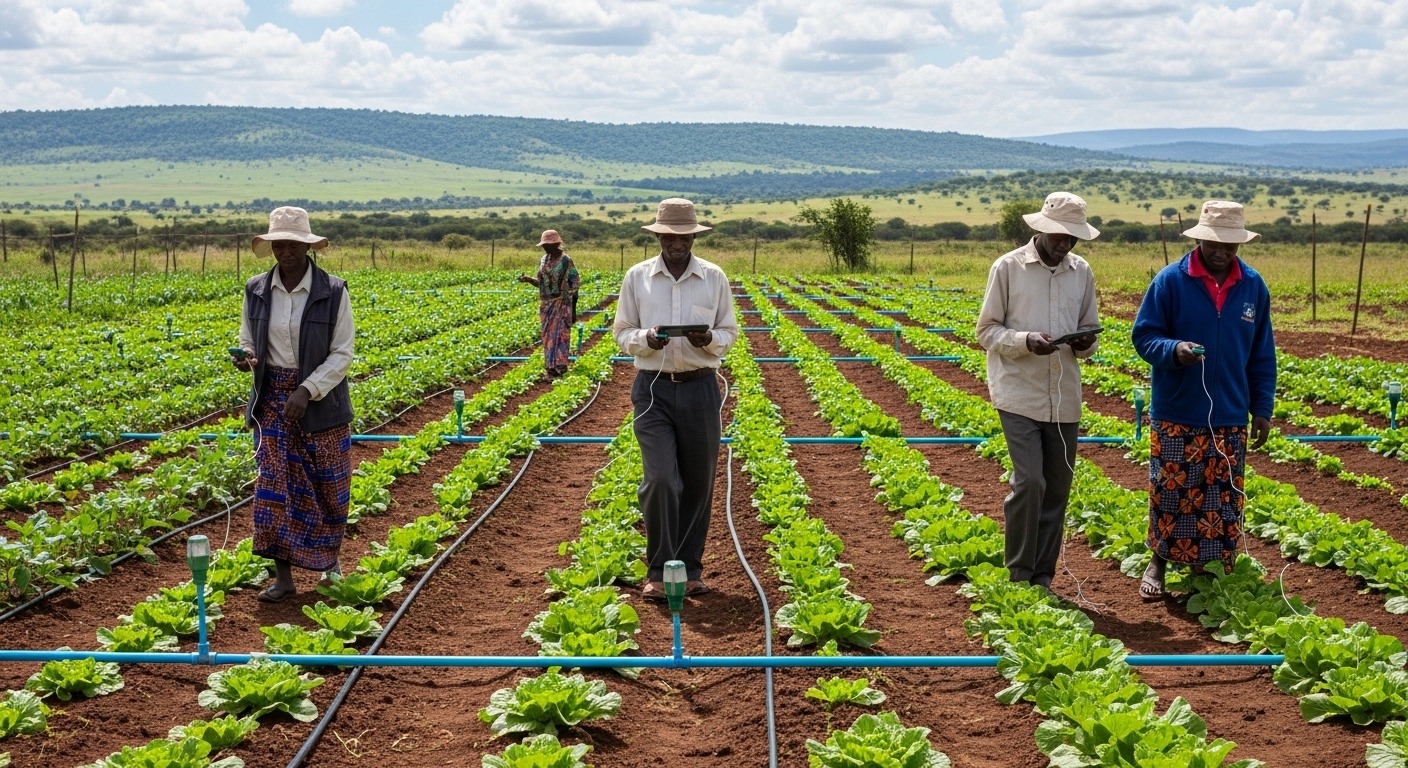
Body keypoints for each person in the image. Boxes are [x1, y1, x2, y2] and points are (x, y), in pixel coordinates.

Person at [1133, 200, 1275, 600]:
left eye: (1230, 245)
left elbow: (1262, 353)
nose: (1222, 251)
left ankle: (1210, 570)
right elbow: (1144, 337)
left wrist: (1262, 408)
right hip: (1177, 409)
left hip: (1229, 412)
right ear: (1199, 238)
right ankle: (1158, 561)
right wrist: (1174, 350)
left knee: (1221, 497)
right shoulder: (1170, 281)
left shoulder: (1252, 286)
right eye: (1214, 243)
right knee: (1171, 491)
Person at [975, 192, 1102, 593]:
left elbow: (1090, 327)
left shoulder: (1081, 271)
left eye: (1072, 238)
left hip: (1063, 395)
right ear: (1042, 230)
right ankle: (1018, 572)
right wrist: (1026, 340)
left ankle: (1043, 575)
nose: (1065, 244)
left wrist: (1084, 343)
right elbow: (986, 331)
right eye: (1059, 236)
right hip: (1019, 392)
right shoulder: (1008, 268)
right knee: (1030, 481)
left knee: (1058, 487)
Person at [612, 198, 738, 600]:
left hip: (701, 386)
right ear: (659, 236)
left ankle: (690, 568)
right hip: (653, 390)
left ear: (693, 238)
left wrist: (710, 339)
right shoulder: (638, 277)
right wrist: (646, 338)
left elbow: (729, 332)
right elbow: (622, 332)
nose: (676, 243)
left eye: (684, 236)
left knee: (699, 483)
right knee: (662, 479)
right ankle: (659, 567)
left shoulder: (714, 277)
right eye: (669, 236)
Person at [233, 206, 355, 603]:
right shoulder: (255, 289)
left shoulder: (333, 291)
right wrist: (248, 356)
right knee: (274, 487)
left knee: (327, 487)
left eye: (293, 245)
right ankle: (283, 578)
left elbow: (342, 354)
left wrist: (307, 390)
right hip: (272, 399)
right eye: (279, 244)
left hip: (320, 402)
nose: (285, 252)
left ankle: (329, 565)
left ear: (307, 247)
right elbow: (249, 337)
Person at [518, 230, 581, 377]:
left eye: (549, 245)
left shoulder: (566, 260)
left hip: (562, 304)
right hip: (546, 305)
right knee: (548, 336)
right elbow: (541, 283)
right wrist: (528, 279)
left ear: (557, 245)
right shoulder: (544, 260)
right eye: (544, 245)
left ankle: (561, 364)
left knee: (561, 334)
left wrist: (571, 306)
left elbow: (575, 283)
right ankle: (550, 366)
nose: (546, 248)